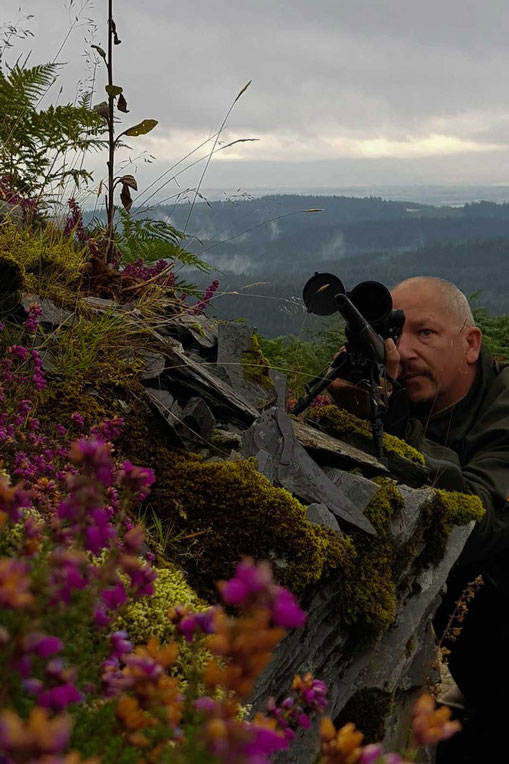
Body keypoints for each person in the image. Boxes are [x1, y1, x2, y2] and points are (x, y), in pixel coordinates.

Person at [329, 276, 509, 762]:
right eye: (393, 333)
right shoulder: (413, 400)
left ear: (470, 343)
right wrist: (355, 411)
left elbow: (478, 522)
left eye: (424, 333)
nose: (402, 351)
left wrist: (389, 427)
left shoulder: (503, 406)